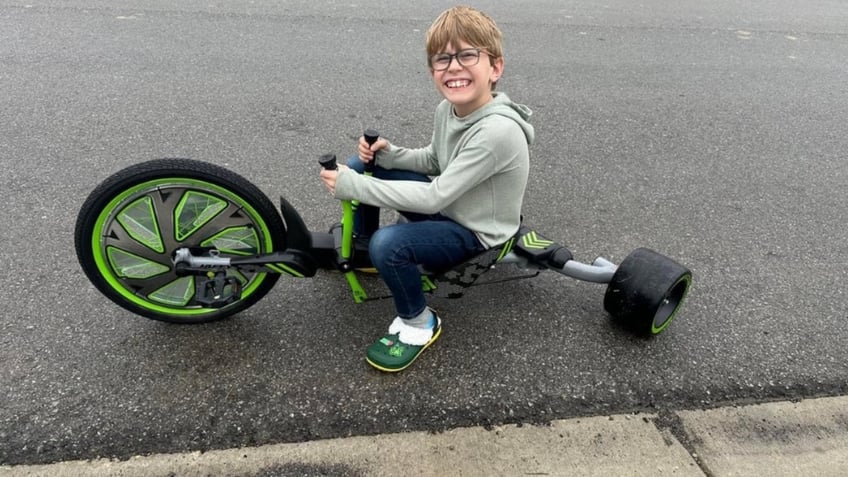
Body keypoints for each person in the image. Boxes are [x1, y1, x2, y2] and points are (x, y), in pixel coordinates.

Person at [319, 5, 534, 372]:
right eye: (441, 59)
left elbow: (434, 195)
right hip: (453, 205)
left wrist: (354, 187)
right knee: (363, 166)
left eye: (467, 55)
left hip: (478, 232)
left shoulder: (496, 132)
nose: (453, 67)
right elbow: (435, 160)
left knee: (389, 243)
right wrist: (389, 156)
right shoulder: (448, 110)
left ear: (495, 67)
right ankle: (363, 250)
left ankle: (419, 322)